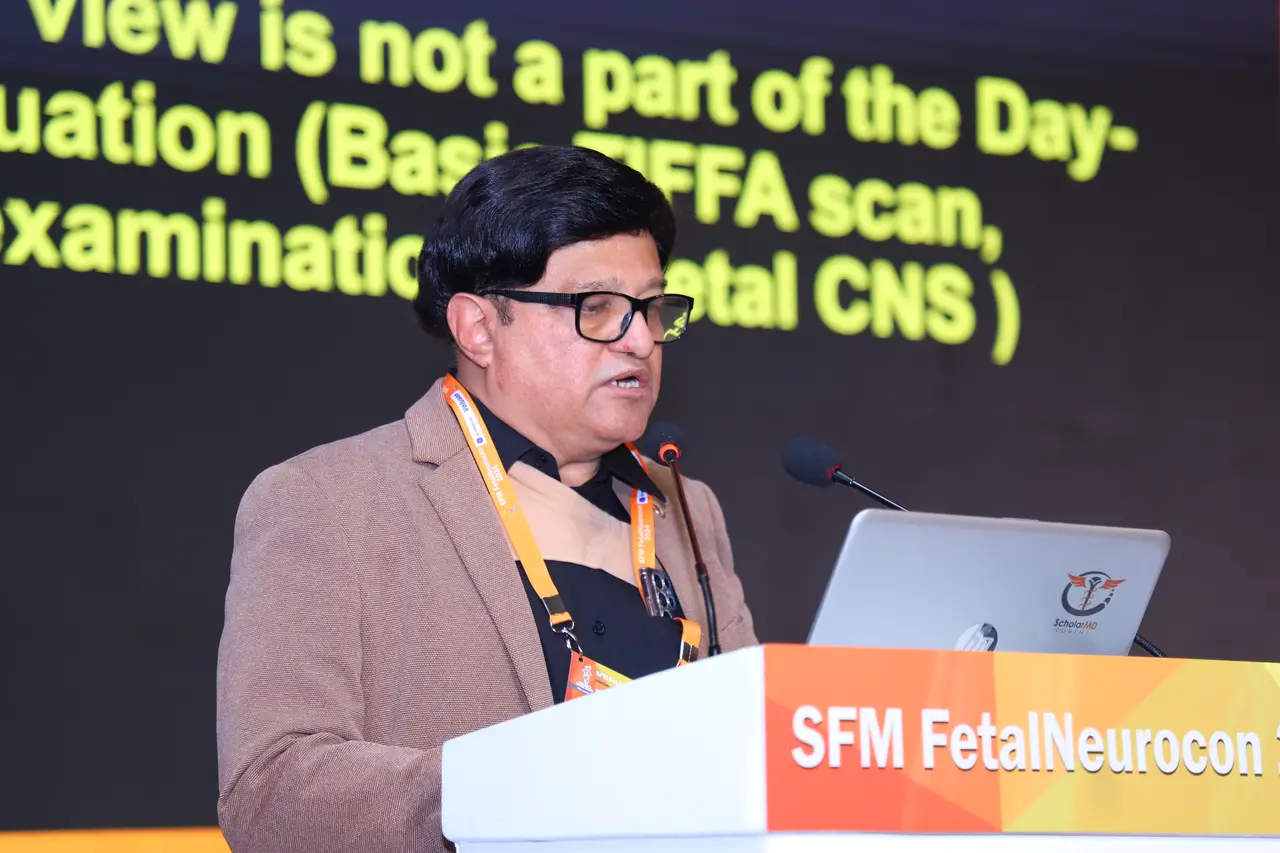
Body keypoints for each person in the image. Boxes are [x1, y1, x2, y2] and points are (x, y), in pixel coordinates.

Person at [215, 145, 758, 853]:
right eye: (596, 308)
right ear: (477, 327)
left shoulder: (687, 507)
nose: (639, 340)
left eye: (651, 308)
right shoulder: (330, 500)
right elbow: (271, 792)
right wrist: (508, 786)